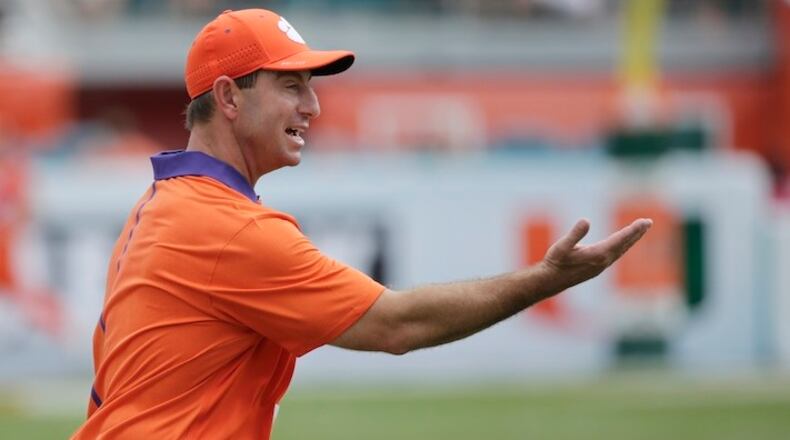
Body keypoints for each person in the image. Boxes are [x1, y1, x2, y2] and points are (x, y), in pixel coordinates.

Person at [70, 8, 652, 440]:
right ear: (228, 97)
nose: (313, 106)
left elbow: (111, 385)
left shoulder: (159, 205)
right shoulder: (228, 228)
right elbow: (398, 326)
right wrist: (545, 279)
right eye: (291, 85)